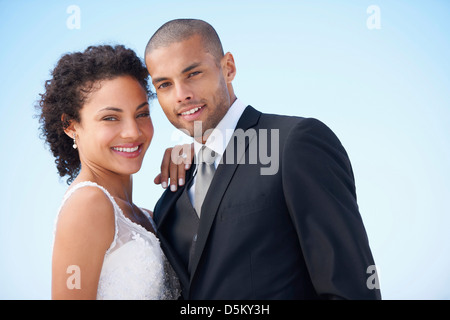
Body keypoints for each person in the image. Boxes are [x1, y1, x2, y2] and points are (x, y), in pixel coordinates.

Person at [145, 19, 382, 299]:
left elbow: (352, 288)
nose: (181, 94)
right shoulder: (173, 192)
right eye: (164, 85)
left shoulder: (294, 143)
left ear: (228, 67)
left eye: (193, 74)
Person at [37, 44, 181, 299]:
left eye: (142, 114)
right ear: (70, 125)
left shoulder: (146, 217)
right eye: (111, 118)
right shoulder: (88, 204)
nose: (133, 132)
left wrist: (201, 155)